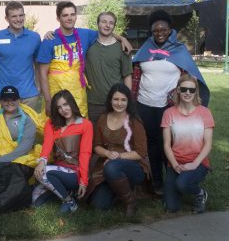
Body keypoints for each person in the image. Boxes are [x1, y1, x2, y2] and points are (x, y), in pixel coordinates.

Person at [132, 9, 210, 194]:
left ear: (170, 30)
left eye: (163, 30)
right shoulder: (145, 48)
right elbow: (136, 73)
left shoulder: (179, 50)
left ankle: (173, 178)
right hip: (145, 103)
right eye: (155, 31)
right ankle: (157, 181)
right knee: (151, 142)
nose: (159, 33)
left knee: (168, 142)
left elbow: (189, 77)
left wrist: (180, 95)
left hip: (169, 106)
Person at [38, 1, 132, 118]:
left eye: (72, 14)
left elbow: (105, 32)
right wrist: (48, 100)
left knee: (81, 125)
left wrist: (122, 38)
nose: (69, 18)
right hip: (57, 92)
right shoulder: (49, 40)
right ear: (58, 18)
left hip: (79, 92)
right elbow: (42, 73)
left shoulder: (85, 34)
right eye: (65, 15)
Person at [86, 83, 150, 217]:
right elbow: (96, 145)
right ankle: (122, 189)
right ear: (110, 100)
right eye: (116, 99)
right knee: (99, 205)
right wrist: (107, 153)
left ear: (128, 101)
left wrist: (117, 157)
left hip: (134, 166)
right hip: (107, 165)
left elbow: (141, 152)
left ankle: (130, 203)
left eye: (123, 100)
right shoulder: (103, 119)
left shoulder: (134, 122)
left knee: (112, 167)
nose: (119, 103)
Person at [33, 90, 93, 214]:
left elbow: (85, 153)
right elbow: (47, 144)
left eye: (65, 104)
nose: (63, 110)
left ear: (72, 103)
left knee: (43, 173)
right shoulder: (51, 124)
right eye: (59, 107)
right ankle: (68, 193)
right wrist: (42, 160)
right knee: (36, 201)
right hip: (57, 170)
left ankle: (70, 202)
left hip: (74, 173)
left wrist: (83, 181)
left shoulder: (85, 124)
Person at [162, 74, 214, 213]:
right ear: (178, 90)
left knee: (182, 183)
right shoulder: (168, 113)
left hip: (198, 162)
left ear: (196, 91)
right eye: (184, 89)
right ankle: (180, 184)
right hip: (176, 162)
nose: (187, 93)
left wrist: (195, 164)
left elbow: (208, 143)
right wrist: (174, 165)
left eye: (192, 90)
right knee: (171, 207)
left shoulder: (205, 112)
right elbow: (167, 144)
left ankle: (200, 193)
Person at [0, 1, 42, 110]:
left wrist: (38, 88)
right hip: (4, 95)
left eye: (21, 15)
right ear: (7, 18)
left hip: (29, 96)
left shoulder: (34, 37)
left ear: (24, 16)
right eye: (14, 16)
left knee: (28, 127)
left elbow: (38, 65)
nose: (18, 19)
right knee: (5, 127)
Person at [0, 86, 42, 178]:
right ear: (0, 101)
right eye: (5, 100)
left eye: (13, 99)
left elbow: (25, 148)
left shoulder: (26, 121)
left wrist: (1, 161)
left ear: (19, 100)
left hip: (13, 159)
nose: (9, 103)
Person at [85, 12, 132, 124]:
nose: (107, 25)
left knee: (115, 137)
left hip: (115, 102)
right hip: (93, 102)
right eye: (104, 22)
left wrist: (127, 100)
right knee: (94, 138)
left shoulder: (122, 48)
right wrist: (52, 33)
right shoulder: (88, 45)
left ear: (114, 26)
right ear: (98, 24)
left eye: (111, 23)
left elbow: (127, 75)